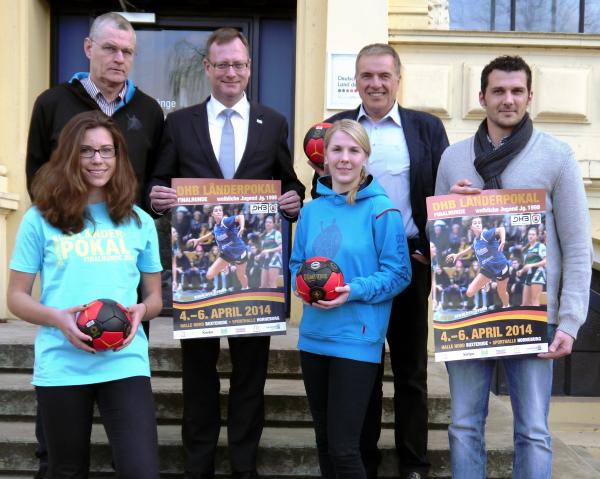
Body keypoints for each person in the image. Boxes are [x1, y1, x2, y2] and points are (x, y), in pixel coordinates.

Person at [147, 27, 305, 479]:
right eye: (222, 65)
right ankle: (198, 464)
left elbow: (287, 180)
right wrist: (158, 197)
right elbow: (157, 181)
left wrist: (293, 199)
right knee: (198, 377)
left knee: (250, 376)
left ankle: (243, 464)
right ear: (208, 69)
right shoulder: (179, 123)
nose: (231, 72)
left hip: (255, 273)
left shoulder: (272, 122)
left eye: (238, 64)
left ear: (249, 68)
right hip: (198, 277)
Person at [435, 55, 592, 478]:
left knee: (534, 430)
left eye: (517, 91)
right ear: (481, 97)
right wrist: (452, 207)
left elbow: (578, 246)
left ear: (529, 97)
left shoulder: (556, 156)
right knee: (464, 426)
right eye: (499, 91)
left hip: (536, 316)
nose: (508, 99)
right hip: (467, 318)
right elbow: (441, 240)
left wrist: (570, 322)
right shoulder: (453, 158)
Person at [25, 15, 164, 474]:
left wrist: (141, 312)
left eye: (127, 51)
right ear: (88, 48)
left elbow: (154, 296)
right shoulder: (52, 103)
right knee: (63, 467)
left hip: (123, 357)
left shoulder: (148, 112)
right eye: (110, 49)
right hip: (61, 360)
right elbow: (34, 174)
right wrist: (59, 318)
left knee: (140, 467)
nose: (98, 159)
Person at [311, 43, 448, 479]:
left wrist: (436, 241)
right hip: (349, 267)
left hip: (409, 259)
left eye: (384, 76)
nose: (376, 83)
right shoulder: (334, 129)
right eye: (367, 76)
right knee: (359, 369)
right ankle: (361, 462)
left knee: (410, 370)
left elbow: (441, 191)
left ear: (397, 79)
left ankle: (414, 464)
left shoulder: (426, 128)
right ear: (356, 81)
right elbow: (322, 197)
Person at [291, 119, 411, 479]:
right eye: (337, 150)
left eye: (353, 150)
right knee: (324, 443)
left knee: (345, 449)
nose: (344, 158)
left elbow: (399, 274)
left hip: (356, 341)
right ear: (323, 157)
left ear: (365, 157)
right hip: (313, 338)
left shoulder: (382, 210)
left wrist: (352, 290)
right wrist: (306, 287)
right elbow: (297, 263)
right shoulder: (311, 211)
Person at [446, 217, 511, 309]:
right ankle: (486, 282)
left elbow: (501, 229)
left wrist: (503, 241)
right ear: (471, 227)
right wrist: (457, 255)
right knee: (469, 293)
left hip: (502, 267)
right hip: (488, 269)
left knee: (502, 292)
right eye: (475, 223)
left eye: (479, 223)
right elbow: (471, 249)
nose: (478, 224)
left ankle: (507, 306)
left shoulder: (486, 234)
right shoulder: (476, 241)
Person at [188, 205, 249, 290]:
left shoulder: (226, 221)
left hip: (239, 252)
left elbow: (241, 217)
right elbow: (212, 234)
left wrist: (242, 227)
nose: (218, 212)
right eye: (216, 210)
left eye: (220, 210)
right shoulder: (216, 227)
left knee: (241, 276)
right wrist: (198, 240)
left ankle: (246, 289)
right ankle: (225, 267)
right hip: (227, 255)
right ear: (212, 214)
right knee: (209, 275)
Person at [518, 226, 547, 306]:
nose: (530, 236)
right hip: (529, 275)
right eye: (529, 234)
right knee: (525, 303)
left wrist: (531, 265)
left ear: (536, 236)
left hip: (538, 273)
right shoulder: (526, 249)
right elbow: (527, 265)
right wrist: (521, 270)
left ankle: (536, 318)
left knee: (534, 301)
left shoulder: (541, 246)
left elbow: (545, 261)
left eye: (533, 234)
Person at [257, 215, 283, 288]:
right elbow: (264, 250)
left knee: (272, 283)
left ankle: (274, 299)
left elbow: (281, 247)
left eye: (270, 222)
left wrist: (269, 250)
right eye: (266, 222)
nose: (267, 224)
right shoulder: (264, 235)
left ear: (273, 224)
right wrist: (259, 255)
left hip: (275, 259)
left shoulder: (276, 233)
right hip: (266, 260)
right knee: (263, 285)